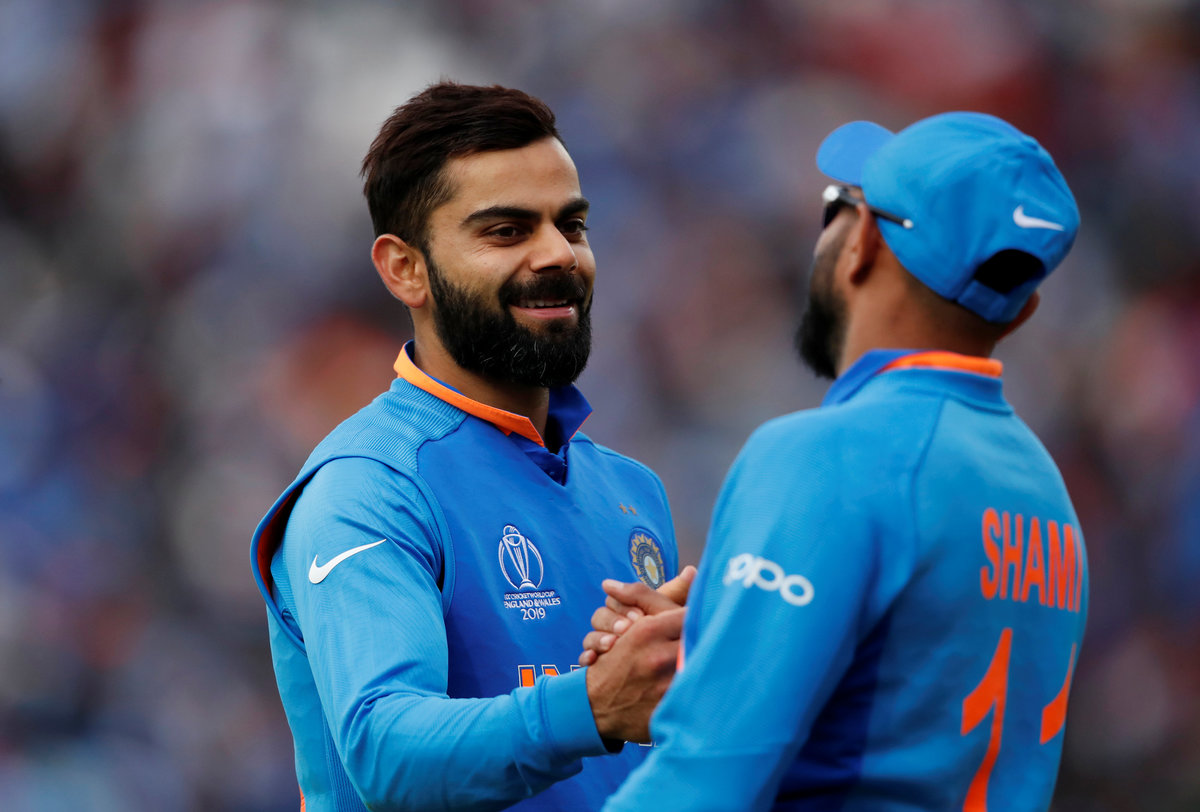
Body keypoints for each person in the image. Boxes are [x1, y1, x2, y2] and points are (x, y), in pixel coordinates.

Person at [596, 112, 1089, 811]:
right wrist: (721, 637)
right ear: (1023, 310)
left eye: (839, 205)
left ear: (864, 243)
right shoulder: (1047, 494)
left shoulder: (824, 457)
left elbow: (703, 780)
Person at [250, 81, 691, 812]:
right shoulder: (369, 488)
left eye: (572, 225)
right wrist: (592, 703)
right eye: (507, 231)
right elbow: (387, 754)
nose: (558, 254)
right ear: (405, 269)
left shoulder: (630, 490)